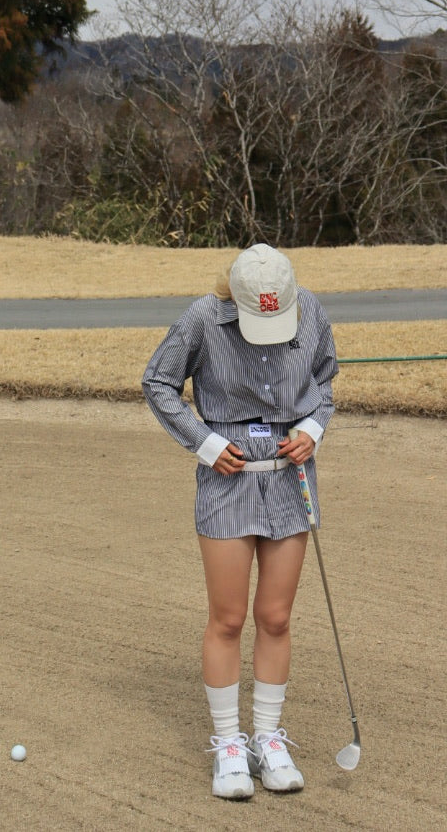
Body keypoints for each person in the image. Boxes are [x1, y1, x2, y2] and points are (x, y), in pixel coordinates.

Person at [142, 242, 338, 800]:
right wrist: (203, 443)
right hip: (227, 482)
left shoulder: (310, 310)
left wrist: (313, 429)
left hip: (290, 478)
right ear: (235, 297)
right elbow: (158, 383)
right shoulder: (203, 318)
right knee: (228, 619)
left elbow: (325, 381)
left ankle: (269, 739)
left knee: (275, 616)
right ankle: (230, 745)